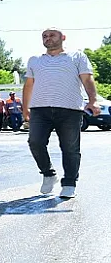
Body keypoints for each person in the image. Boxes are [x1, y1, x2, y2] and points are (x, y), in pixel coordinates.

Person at [22, 28, 101, 199]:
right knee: (35, 142)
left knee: (70, 148)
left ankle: (69, 183)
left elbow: (87, 79)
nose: (48, 38)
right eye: (44, 36)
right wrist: (25, 108)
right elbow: (29, 85)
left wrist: (93, 100)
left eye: (52, 35)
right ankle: (48, 174)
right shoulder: (35, 60)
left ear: (63, 37)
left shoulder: (77, 57)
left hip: (70, 109)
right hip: (39, 110)